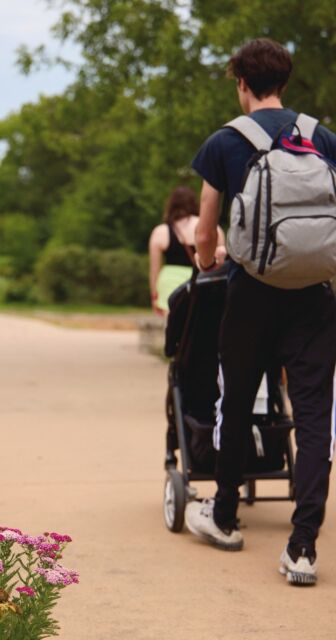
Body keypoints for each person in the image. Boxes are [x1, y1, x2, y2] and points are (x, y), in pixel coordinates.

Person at [185, 38, 336, 586]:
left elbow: (206, 230)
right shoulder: (320, 137)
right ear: (286, 83)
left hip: (251, 289)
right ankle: (302, 548)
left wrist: (209, 260)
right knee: (315, 414)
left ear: (240, 82)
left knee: (240, 397)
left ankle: (224, 515)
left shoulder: (226, 142)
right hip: (316, 293)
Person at [148, 186, 225, 315]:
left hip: (169, 283)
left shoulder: (160, 231)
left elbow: (154, 270)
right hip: (202, 280)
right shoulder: (212, 229)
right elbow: (222, 261)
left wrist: (154, 295)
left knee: (173, 328)